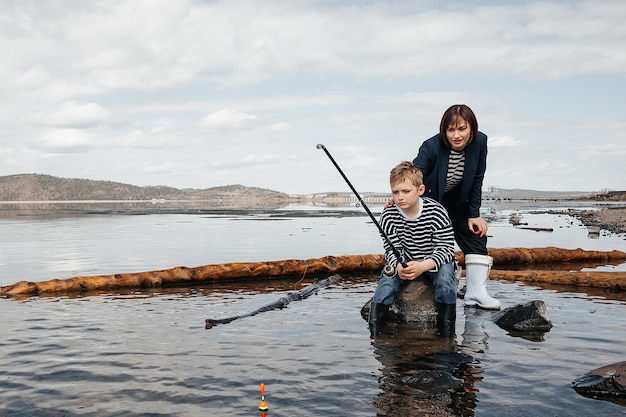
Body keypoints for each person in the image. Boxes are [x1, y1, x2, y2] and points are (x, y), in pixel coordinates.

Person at [413, 104, 500, 309]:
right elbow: (413, 176)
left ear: (472, 129)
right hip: (431, 203)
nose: (456, 135)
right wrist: (399, 195)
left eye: (462, 129)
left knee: (476, 233)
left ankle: (475, 293)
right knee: (429, 242)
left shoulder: (480, 142)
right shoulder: (431, 146)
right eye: (450, 130)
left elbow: (478, 178)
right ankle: (434, 283)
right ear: (444, 130)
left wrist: (474, 214)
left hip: (460, 201)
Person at [369, 161, 457, 338]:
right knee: (387, 282)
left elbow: (447, 249)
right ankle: (375, 332)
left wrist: (424, 266)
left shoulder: (436, 211)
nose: (400, 197)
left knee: (446, 280)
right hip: (404, 262)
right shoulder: (388, 215)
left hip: (433, 261)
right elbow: (391, 249)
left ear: (420, 190)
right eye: (395, 192)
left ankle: (447, 332)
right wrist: (398, 266)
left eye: (406, 191)